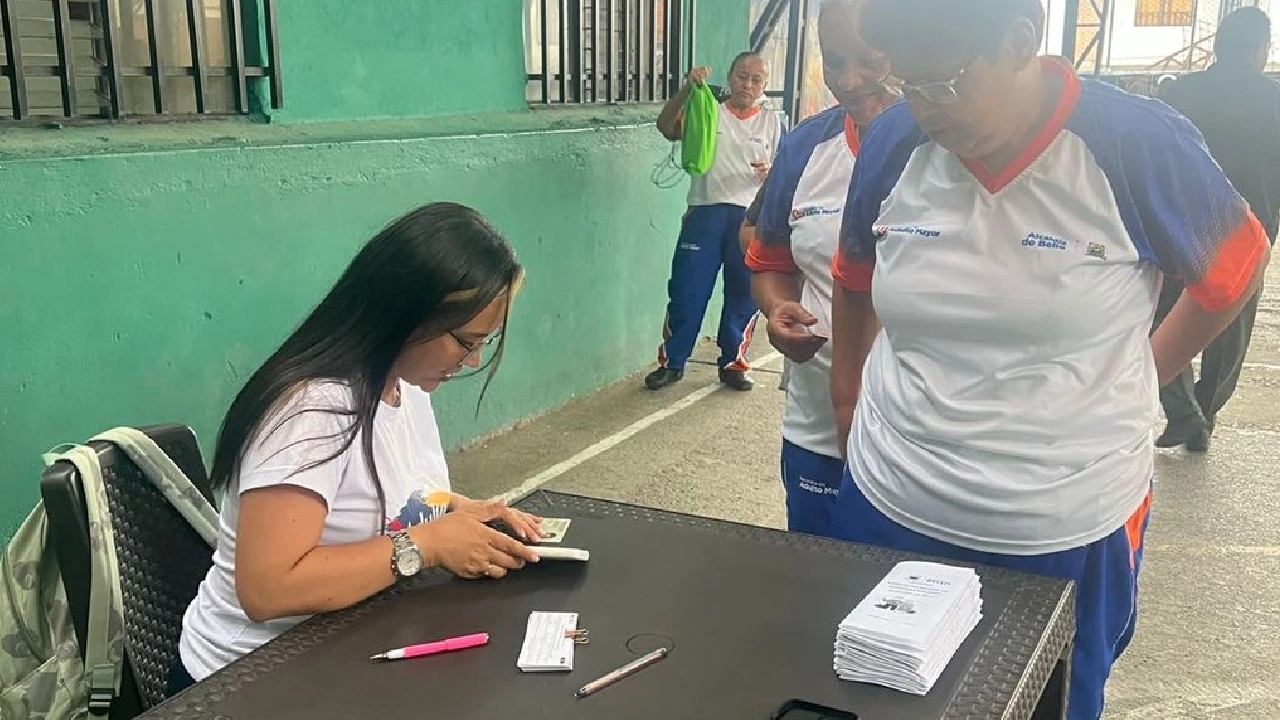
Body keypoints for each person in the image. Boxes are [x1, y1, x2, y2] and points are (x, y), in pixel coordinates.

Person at [826, 1, 1270, 718]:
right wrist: (846, 404)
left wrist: (1146, 369)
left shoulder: (1134, 143)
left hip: (1061, 529)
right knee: (878, 704)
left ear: (1022, 40)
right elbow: (854, 279)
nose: (924, 108)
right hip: (891, 505)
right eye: (906, 82)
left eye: (944, 84)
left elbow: (1236, 268)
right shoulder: (895, 142)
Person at [169, 202, 544, 694]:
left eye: (483, 343)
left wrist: (462, 513)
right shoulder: (312, 410)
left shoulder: (404, 388)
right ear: (408, 314)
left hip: (341, 648)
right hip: (245, 681)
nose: (472, 361)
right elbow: (267, 587)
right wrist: (430, 546)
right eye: (464, 341)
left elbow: (389, 499)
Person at [745, 0, 897, 535]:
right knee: (816, 585)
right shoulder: (806, 147)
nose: (849, 80)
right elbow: (768, 261)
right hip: (817, 430)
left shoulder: (952, 151)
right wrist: (778, 306)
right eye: (834, 61)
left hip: (922, 443)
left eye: (871, 59)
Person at [1151, 6, 1280, 452]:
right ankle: (1204, 410)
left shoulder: (1179, 94)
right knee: (1231, 334)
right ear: (1262, 49)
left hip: (1179, 228)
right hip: (1248, 237)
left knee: (1162, 319)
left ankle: (1185, 412)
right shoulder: (1276, 101)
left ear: (1219, 45)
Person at [646, 52, 785, 392]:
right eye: (741, 76)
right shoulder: (708, 110)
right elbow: (666, 127)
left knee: (743, 295)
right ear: (731, 75)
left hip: (749, 218)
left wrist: (771, 175)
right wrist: (686, 89)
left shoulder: (773, 123)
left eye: (756, 79)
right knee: (686, 291)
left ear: (765, 85)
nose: (747, 85)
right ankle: (672, 362)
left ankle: (733, 362)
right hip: (704, 214)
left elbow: (786, 173)